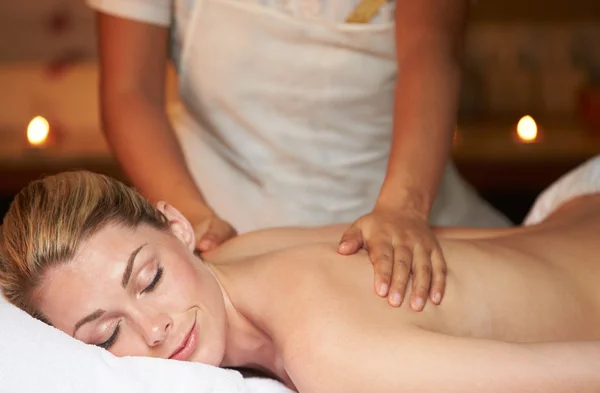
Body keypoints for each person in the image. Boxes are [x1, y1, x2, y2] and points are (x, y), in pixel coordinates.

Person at [1, 160, 599, 393]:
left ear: (178, 226)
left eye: (150, 278)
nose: (152, 330)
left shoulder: (330, 356)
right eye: (106, 336)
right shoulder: (247, 253)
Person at [88, 0, 511, 308]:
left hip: (409, 209)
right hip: (220, 222)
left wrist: (404, 207)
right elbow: (130, 93)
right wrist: (194, 218)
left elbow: (430, 51)